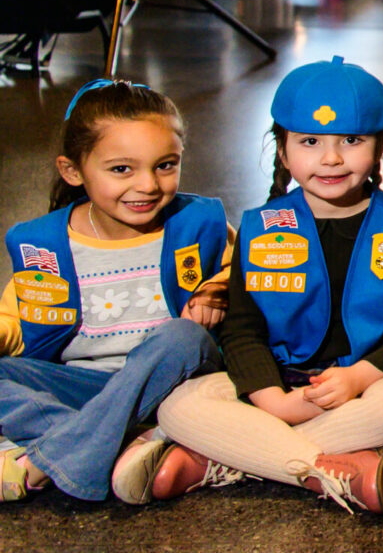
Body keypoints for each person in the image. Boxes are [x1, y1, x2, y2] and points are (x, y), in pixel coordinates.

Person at [152, 58, 383, 513]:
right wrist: (274, 401)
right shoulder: (261, 227)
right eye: (310, 142)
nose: (331, 158)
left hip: (365, 386)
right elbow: (242, 329)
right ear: (284, 152)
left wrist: (357, 378)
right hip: (278, 384)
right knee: (178, 404)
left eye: (352, 140)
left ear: (379, 146)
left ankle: (225, 458)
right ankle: (328, 467)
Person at [0, 80, 229, 504]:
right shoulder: (45, 244)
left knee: (183, 337)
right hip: (86, 385)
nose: (147, 185)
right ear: (73, 171)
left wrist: (216, 291)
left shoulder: (198, 224)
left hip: (173, 385)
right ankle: (119, 441)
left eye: (165, 165)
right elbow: (15, 322)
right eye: (122, 169)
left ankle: (53, 456)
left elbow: (245, 275)